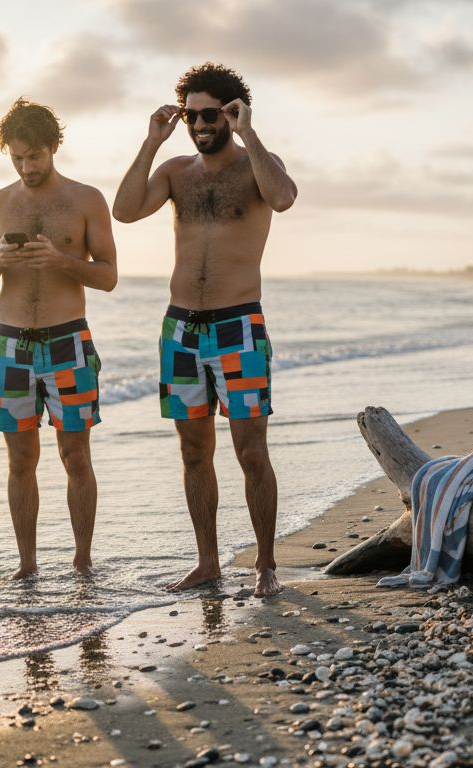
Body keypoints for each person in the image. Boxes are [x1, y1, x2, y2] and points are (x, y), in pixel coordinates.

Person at [112, 62, 297, 597]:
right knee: (194, 452)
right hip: (180, 332)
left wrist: (249, 133)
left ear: (232, 111)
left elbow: (282, 197)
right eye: (191, 115)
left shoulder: (259, 165)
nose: (199, 124)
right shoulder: (175, 172)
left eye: (209, 114)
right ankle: (209, 561)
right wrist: (150, 142)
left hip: (239, 325)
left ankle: (265, 564)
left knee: (250, 450)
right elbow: (124, 211)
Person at [0, 98, 119, 579]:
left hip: (68, 341)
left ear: (54, 147)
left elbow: (109, 276)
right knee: (20, 461)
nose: (26, 167)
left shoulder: (86, 200)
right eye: (17, 157)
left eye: (34, 156)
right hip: (11, 344)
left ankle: (82, 562)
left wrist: (61, 262)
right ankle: (27, 565)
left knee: (76, 456)